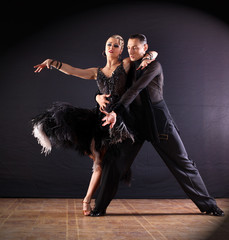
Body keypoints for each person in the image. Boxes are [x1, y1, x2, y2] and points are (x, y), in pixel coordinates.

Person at [92, 33, 224, 217]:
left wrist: (116, 111)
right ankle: (99, 208)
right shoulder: (127, 66)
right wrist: (97, 97)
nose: (130, 51)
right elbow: (109, 87)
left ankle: (210, 206)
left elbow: (135, 89)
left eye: (135, 47)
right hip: (134, 123)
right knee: (113, 162)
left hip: (158, 122)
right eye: (128, 47)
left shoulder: (154, 65)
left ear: (144, 48)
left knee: (183, 163)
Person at [32, 35, 158, 216]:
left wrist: (150, 55)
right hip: (98, 120)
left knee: (103, 163)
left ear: (121, 50)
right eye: (109, 44)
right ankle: (88, 199)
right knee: (98, 161)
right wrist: (51, 62)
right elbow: (73, 71)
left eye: (116, 45)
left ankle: (87, 199)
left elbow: (149, 52)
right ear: (104, 48)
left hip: (117, 119)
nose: (111, 47)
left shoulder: (125, 64)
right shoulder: (96, 71)